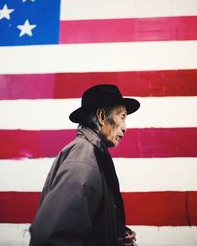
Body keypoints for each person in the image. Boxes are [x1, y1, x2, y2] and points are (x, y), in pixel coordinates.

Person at [29, 84, 140, 246]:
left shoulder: (92, 153)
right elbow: (54, 238)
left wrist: (115, 235)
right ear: (102, 116)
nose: (125, 128)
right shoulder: (84, 159)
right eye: (122, 117)